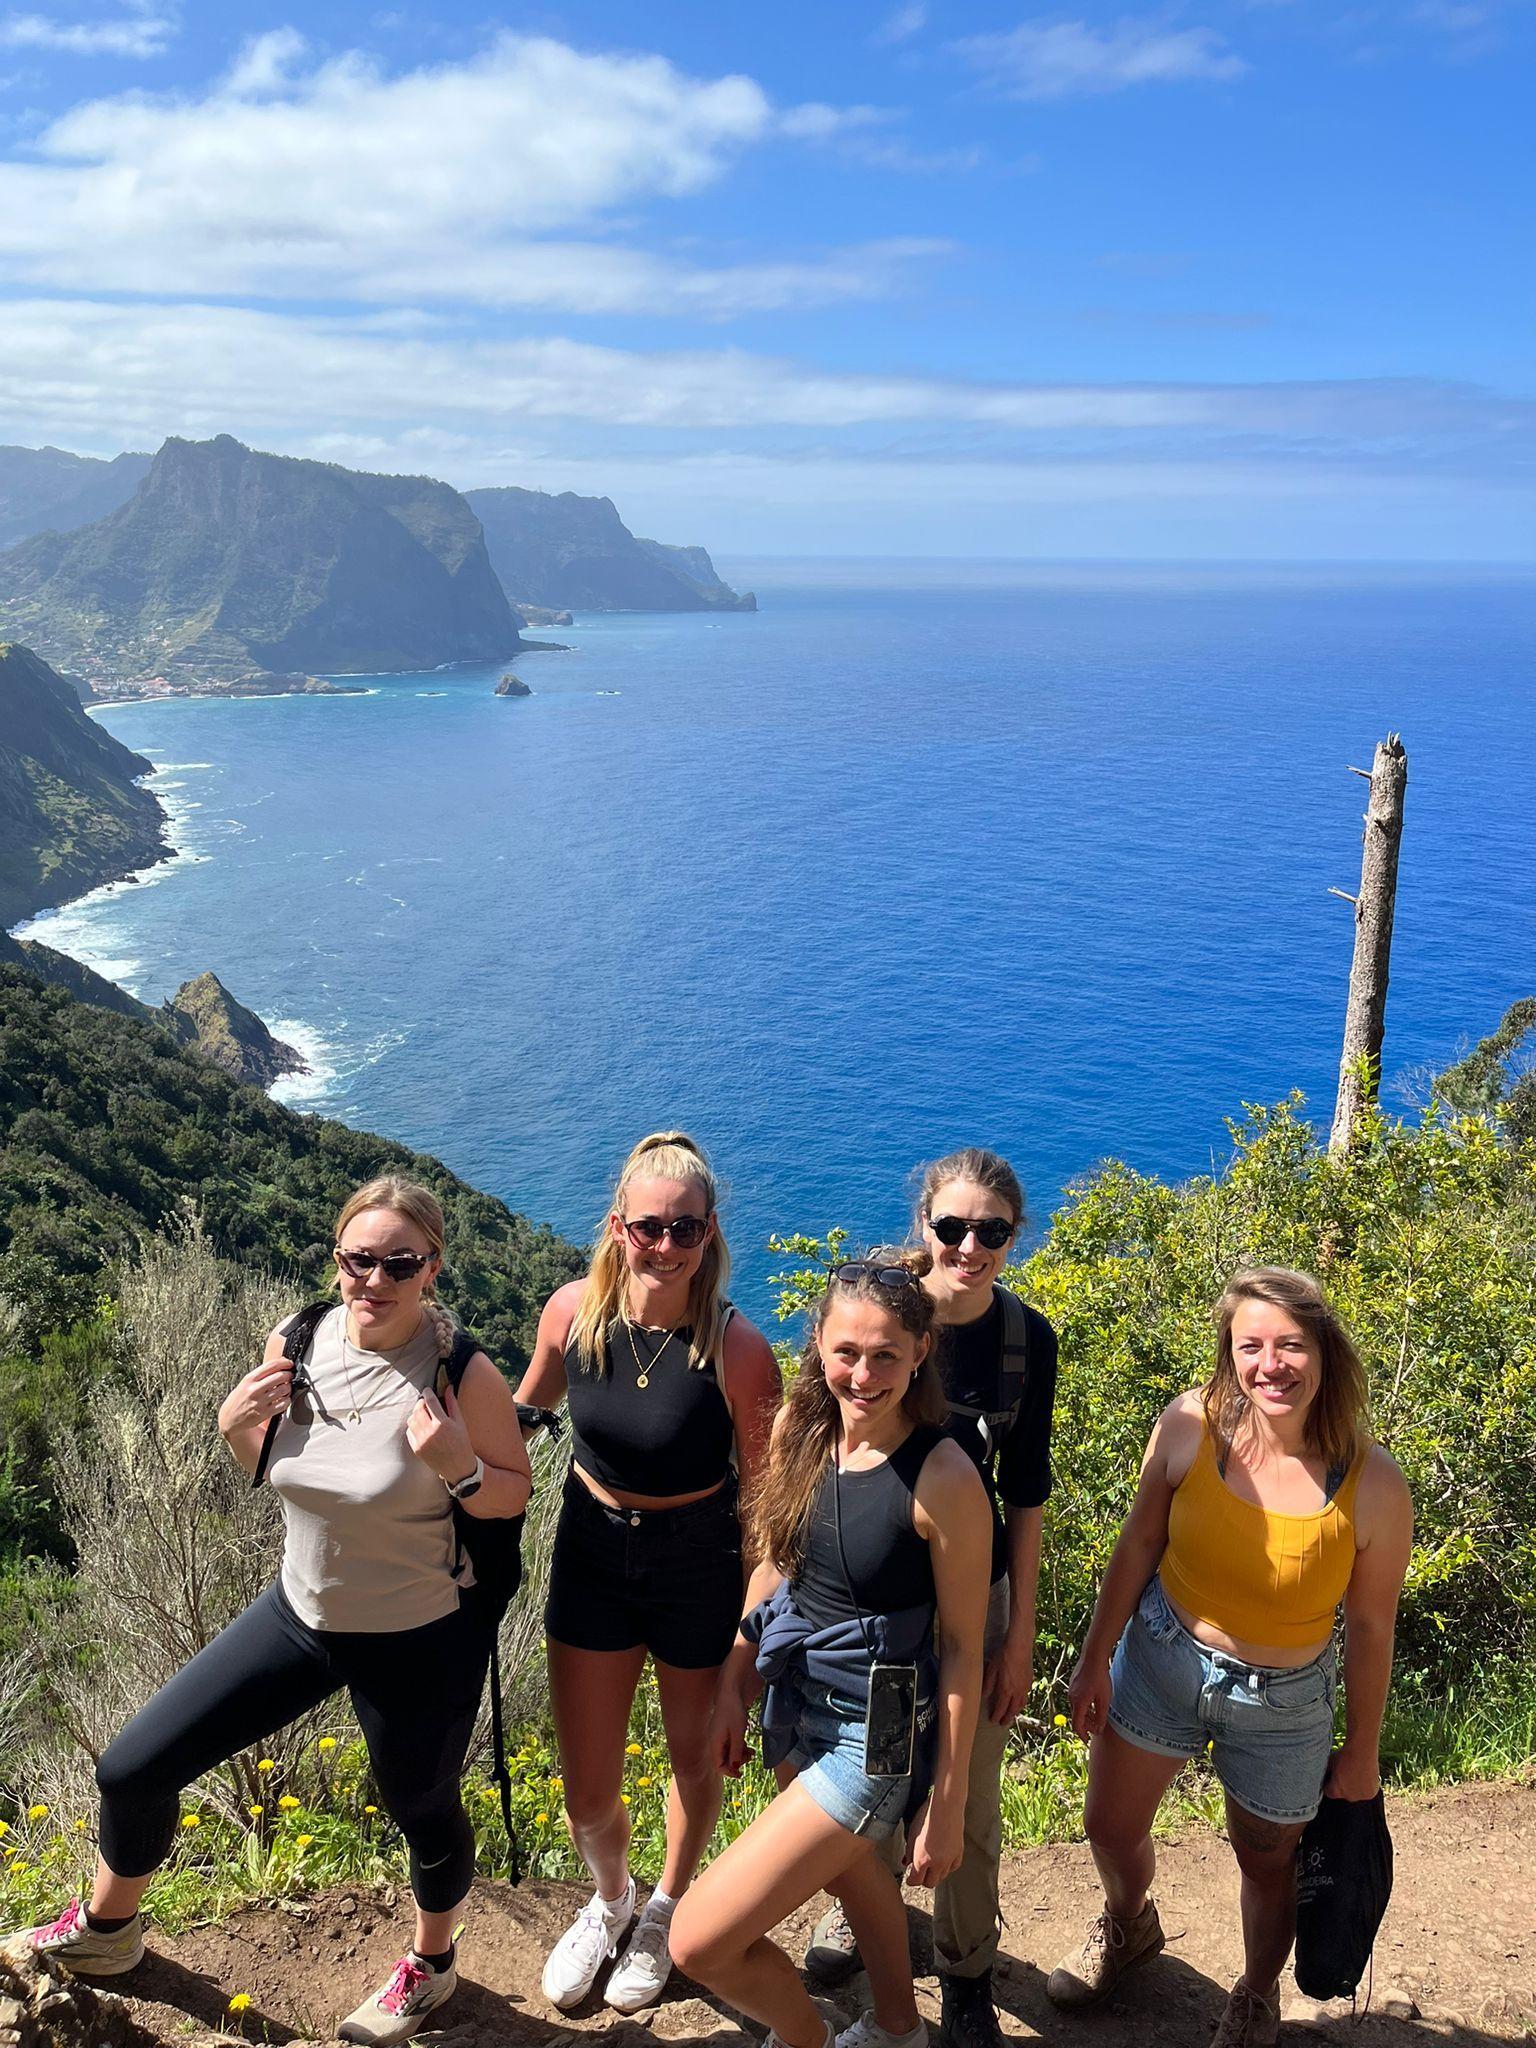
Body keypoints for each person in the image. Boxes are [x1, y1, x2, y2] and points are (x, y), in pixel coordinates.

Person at [24, 1175, 532, 2047]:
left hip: (418, 1633)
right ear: (337, 1260)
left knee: (421, 1806)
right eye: (356, 1260)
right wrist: (233, 1430)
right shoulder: (299, 1337)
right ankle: (108, 1934)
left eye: (397, 1264)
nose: (373, 1280)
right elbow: (281, 1468)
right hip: (300, 1614)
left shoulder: (461, 1374)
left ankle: (432, 1966)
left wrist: (459, 1466)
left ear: (432, 1270)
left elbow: (511, 1498)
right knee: (133, 1768)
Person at [1046, 1266, 1413, 2048]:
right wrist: (1092, 1659)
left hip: (1286, 1701)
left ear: (1325, 1355)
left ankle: (1254, 1991)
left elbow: (1373, 1627)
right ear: (1229, 1352)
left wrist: (1362, 1750)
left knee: (1266, 1859)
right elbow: (1139, 1544)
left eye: (1291, 1345)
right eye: (1251, 1346)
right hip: (1161, 1659)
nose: (1270, 1365)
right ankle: (1128, 1923)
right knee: (1109, 1827)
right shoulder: (1189, 1425)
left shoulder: (1374, 1483)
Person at [671, 1255, 992, 2048]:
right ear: (817, 1341)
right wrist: (731, 1688)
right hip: (797, 1692)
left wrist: (945, 1803)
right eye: (846, 1351)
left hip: (875, 1727)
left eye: (886, 1354)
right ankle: (896, 2028)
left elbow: (960, 1649)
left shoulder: (944, 1475)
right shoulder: (802, 1431)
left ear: (921, 1351)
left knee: (697, 1943)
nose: (863, 1374)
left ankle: (805, 2039)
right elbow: (775, 1566)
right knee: (855, 1873)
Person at [512, 1131, 780, 2015]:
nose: (665, 1247)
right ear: (618, 1227)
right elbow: (519, 1416)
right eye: (648, 1228)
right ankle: (611, 1898)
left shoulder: (739, 1353)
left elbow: (769, 1517)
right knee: (588, 1792)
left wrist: (748, 1644)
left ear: (710, 1234)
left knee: (692, 1757)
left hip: (698, 1559)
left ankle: (665, 1907)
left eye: (686, 1230)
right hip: (591, 1550)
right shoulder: (570, 1316)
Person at [804, 1147, 1058, 2048]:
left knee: (968, 1798)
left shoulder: (1026, 1342)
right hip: (868, 1606)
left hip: (969, 1600)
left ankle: (965, 1973)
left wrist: (1018, 1631)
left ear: (1013, 1236)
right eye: (951, 1227)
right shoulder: (881, 1317)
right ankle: (863, 1917)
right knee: (863, 1776)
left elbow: (1025, 1494)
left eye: (991, 1230)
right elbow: (809, 1442)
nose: (970, 1246)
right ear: (925, 1225)